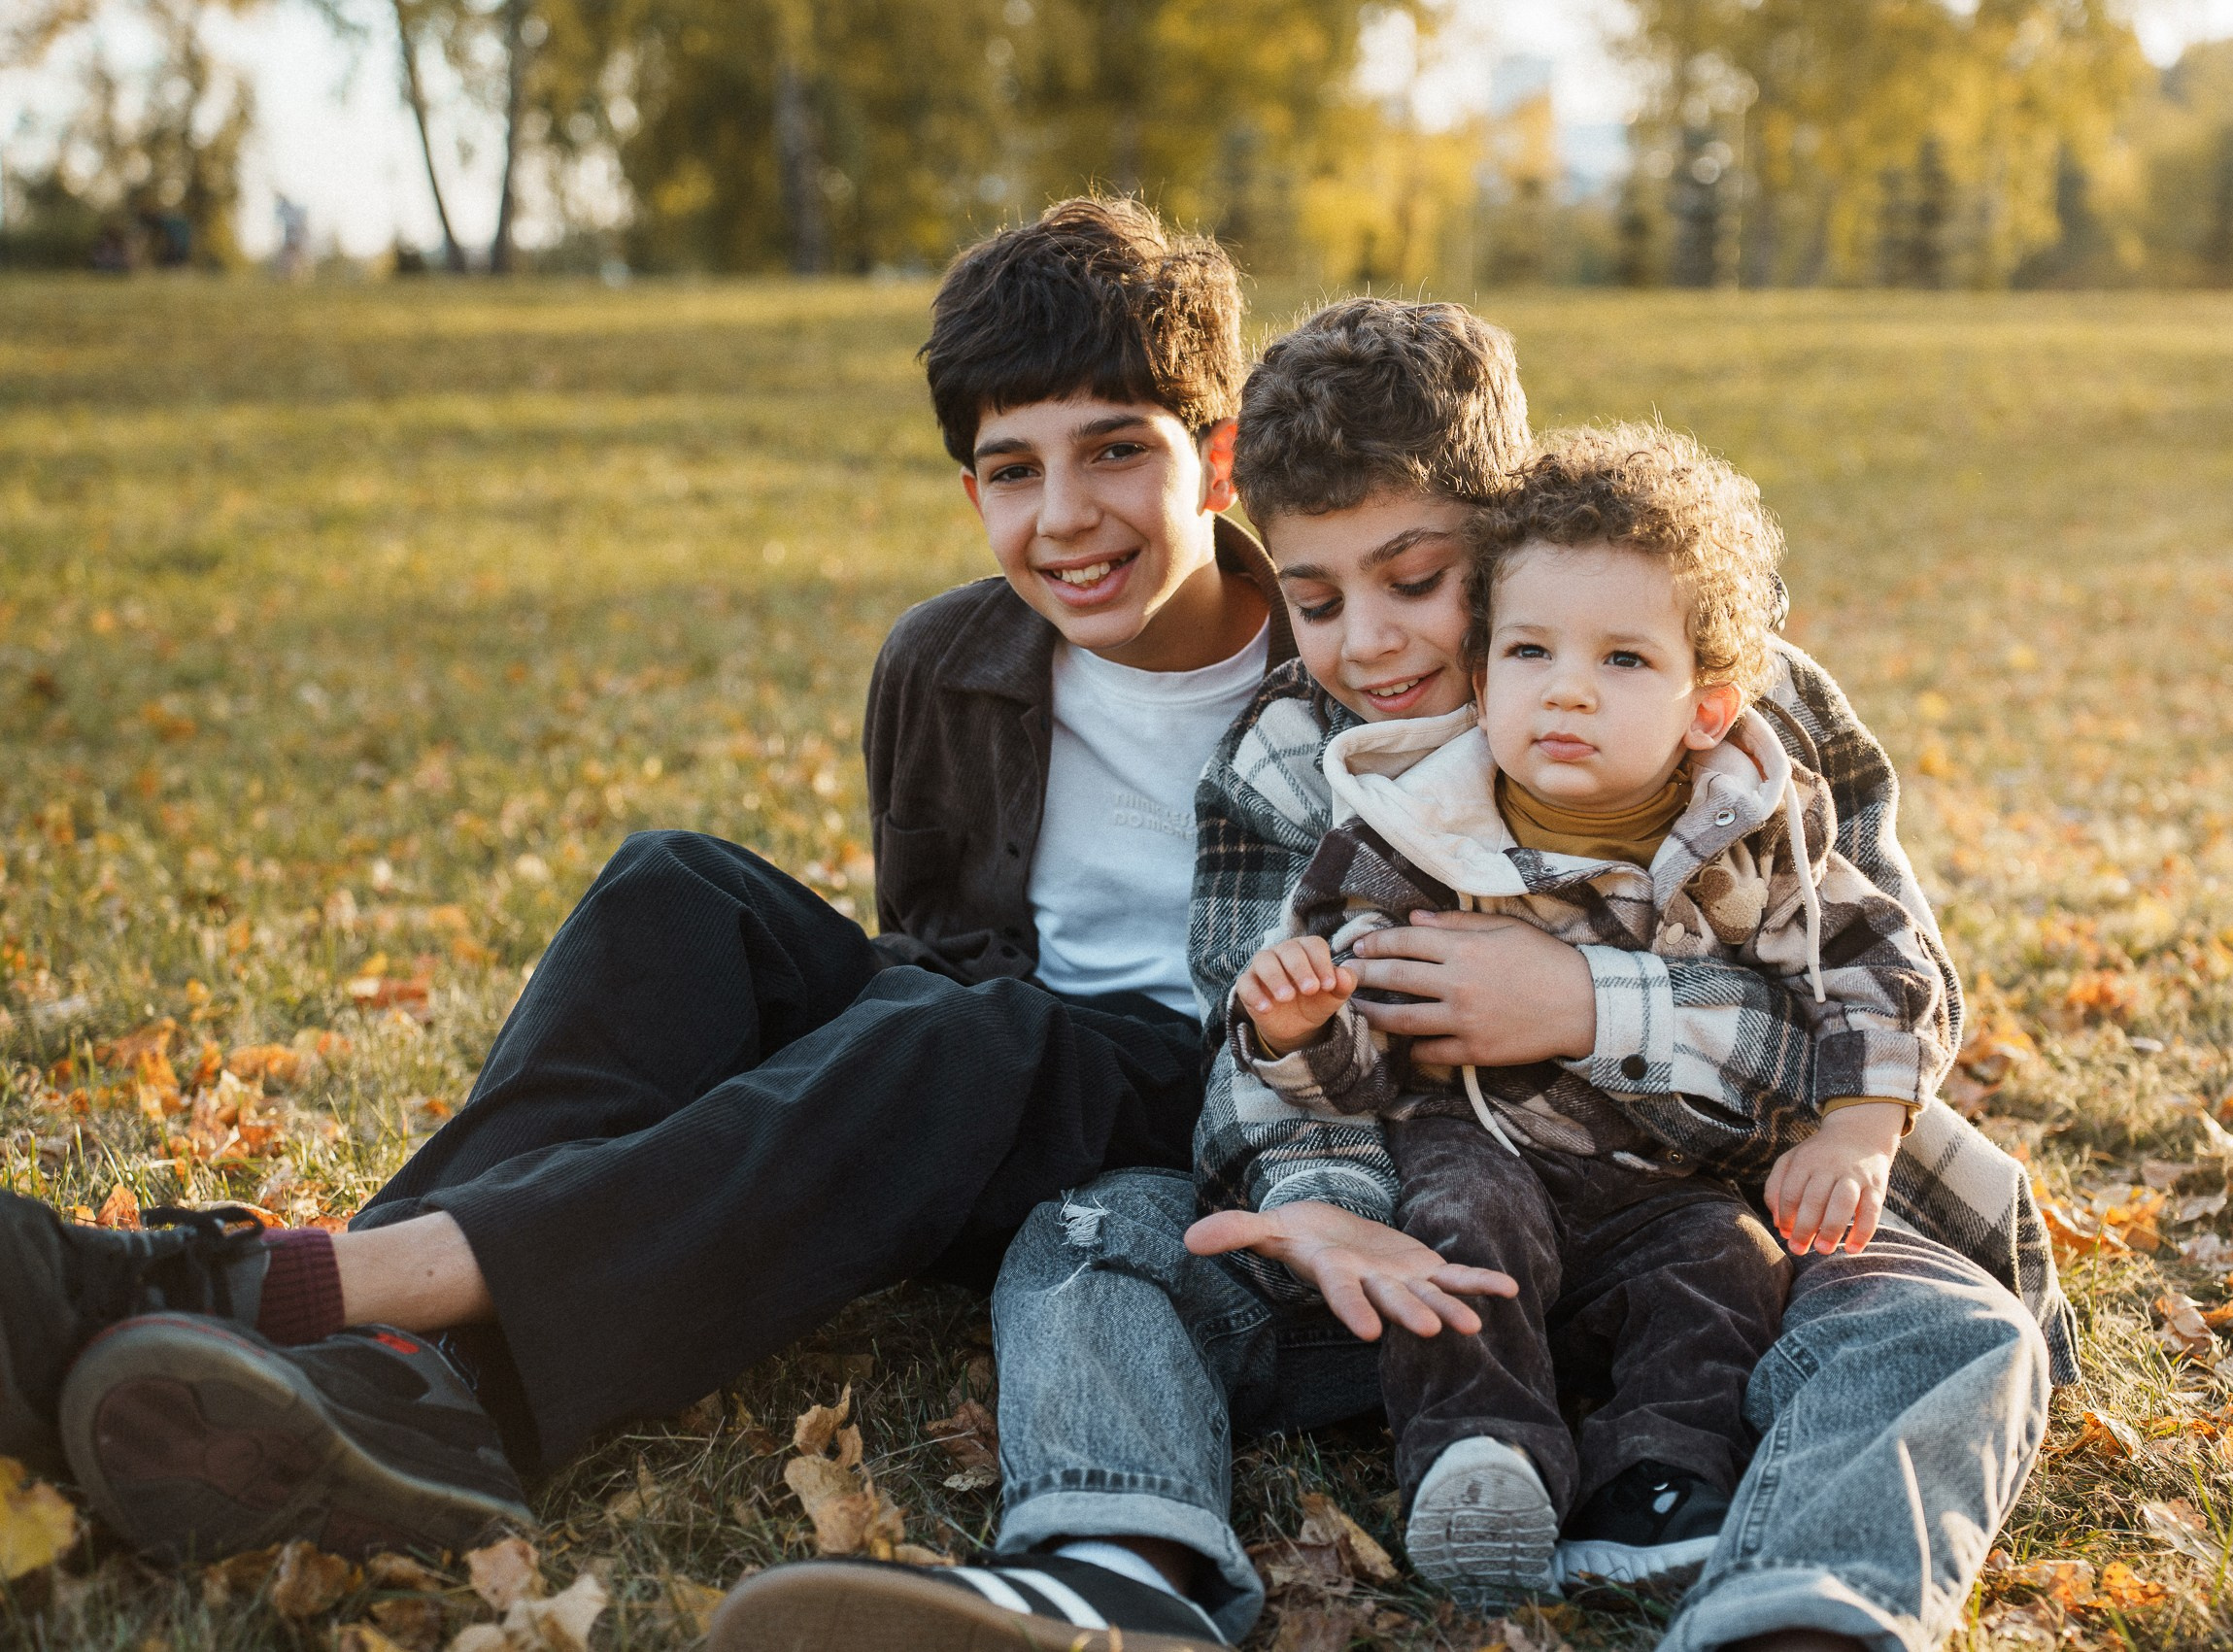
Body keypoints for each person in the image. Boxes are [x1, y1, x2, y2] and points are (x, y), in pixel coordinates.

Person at [0, 198, 1505, 1573]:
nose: (1063, 516)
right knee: (679, 891)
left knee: (964, 1034)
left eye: (1115, 450)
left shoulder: (1351, 650)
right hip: (980, 1068)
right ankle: (393, 1372)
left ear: (1217, 459)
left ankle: (266, 1289)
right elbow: (937, 940)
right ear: (969, 488)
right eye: (1011, 469)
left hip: (1216, 1108)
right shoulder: (945, 662)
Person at [711, 297, 2075, 1652]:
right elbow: (1257, 1026)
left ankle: (1798, 1619)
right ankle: (1112, 1569)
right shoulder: (1286, 754)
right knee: (1091, 1238)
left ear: (1510, 528)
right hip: (1421, 1262)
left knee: (1944, 1325)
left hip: (1721, 1236)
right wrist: (1323, 1212)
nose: (1366, 643)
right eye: (1314, 599)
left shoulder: (1733, 694)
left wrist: (1588, 1002)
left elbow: (1877, 989)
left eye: (1415, 582)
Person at [1230, 421, 1960, 1597]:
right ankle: (1480, 1457)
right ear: (1483, 681)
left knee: (1726, 1267)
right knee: (1456, 1228)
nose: (1566, 689)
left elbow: (1876, 966)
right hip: (1481, 1143)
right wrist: (1301, 1027)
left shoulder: (1752, 830)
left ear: (1705, 709)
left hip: (1665, 1177)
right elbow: (1366, 1053)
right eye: (1529, 652)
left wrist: (1858, 1130)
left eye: (1622, 660)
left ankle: (1657, 1476)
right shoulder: (1417, 832)